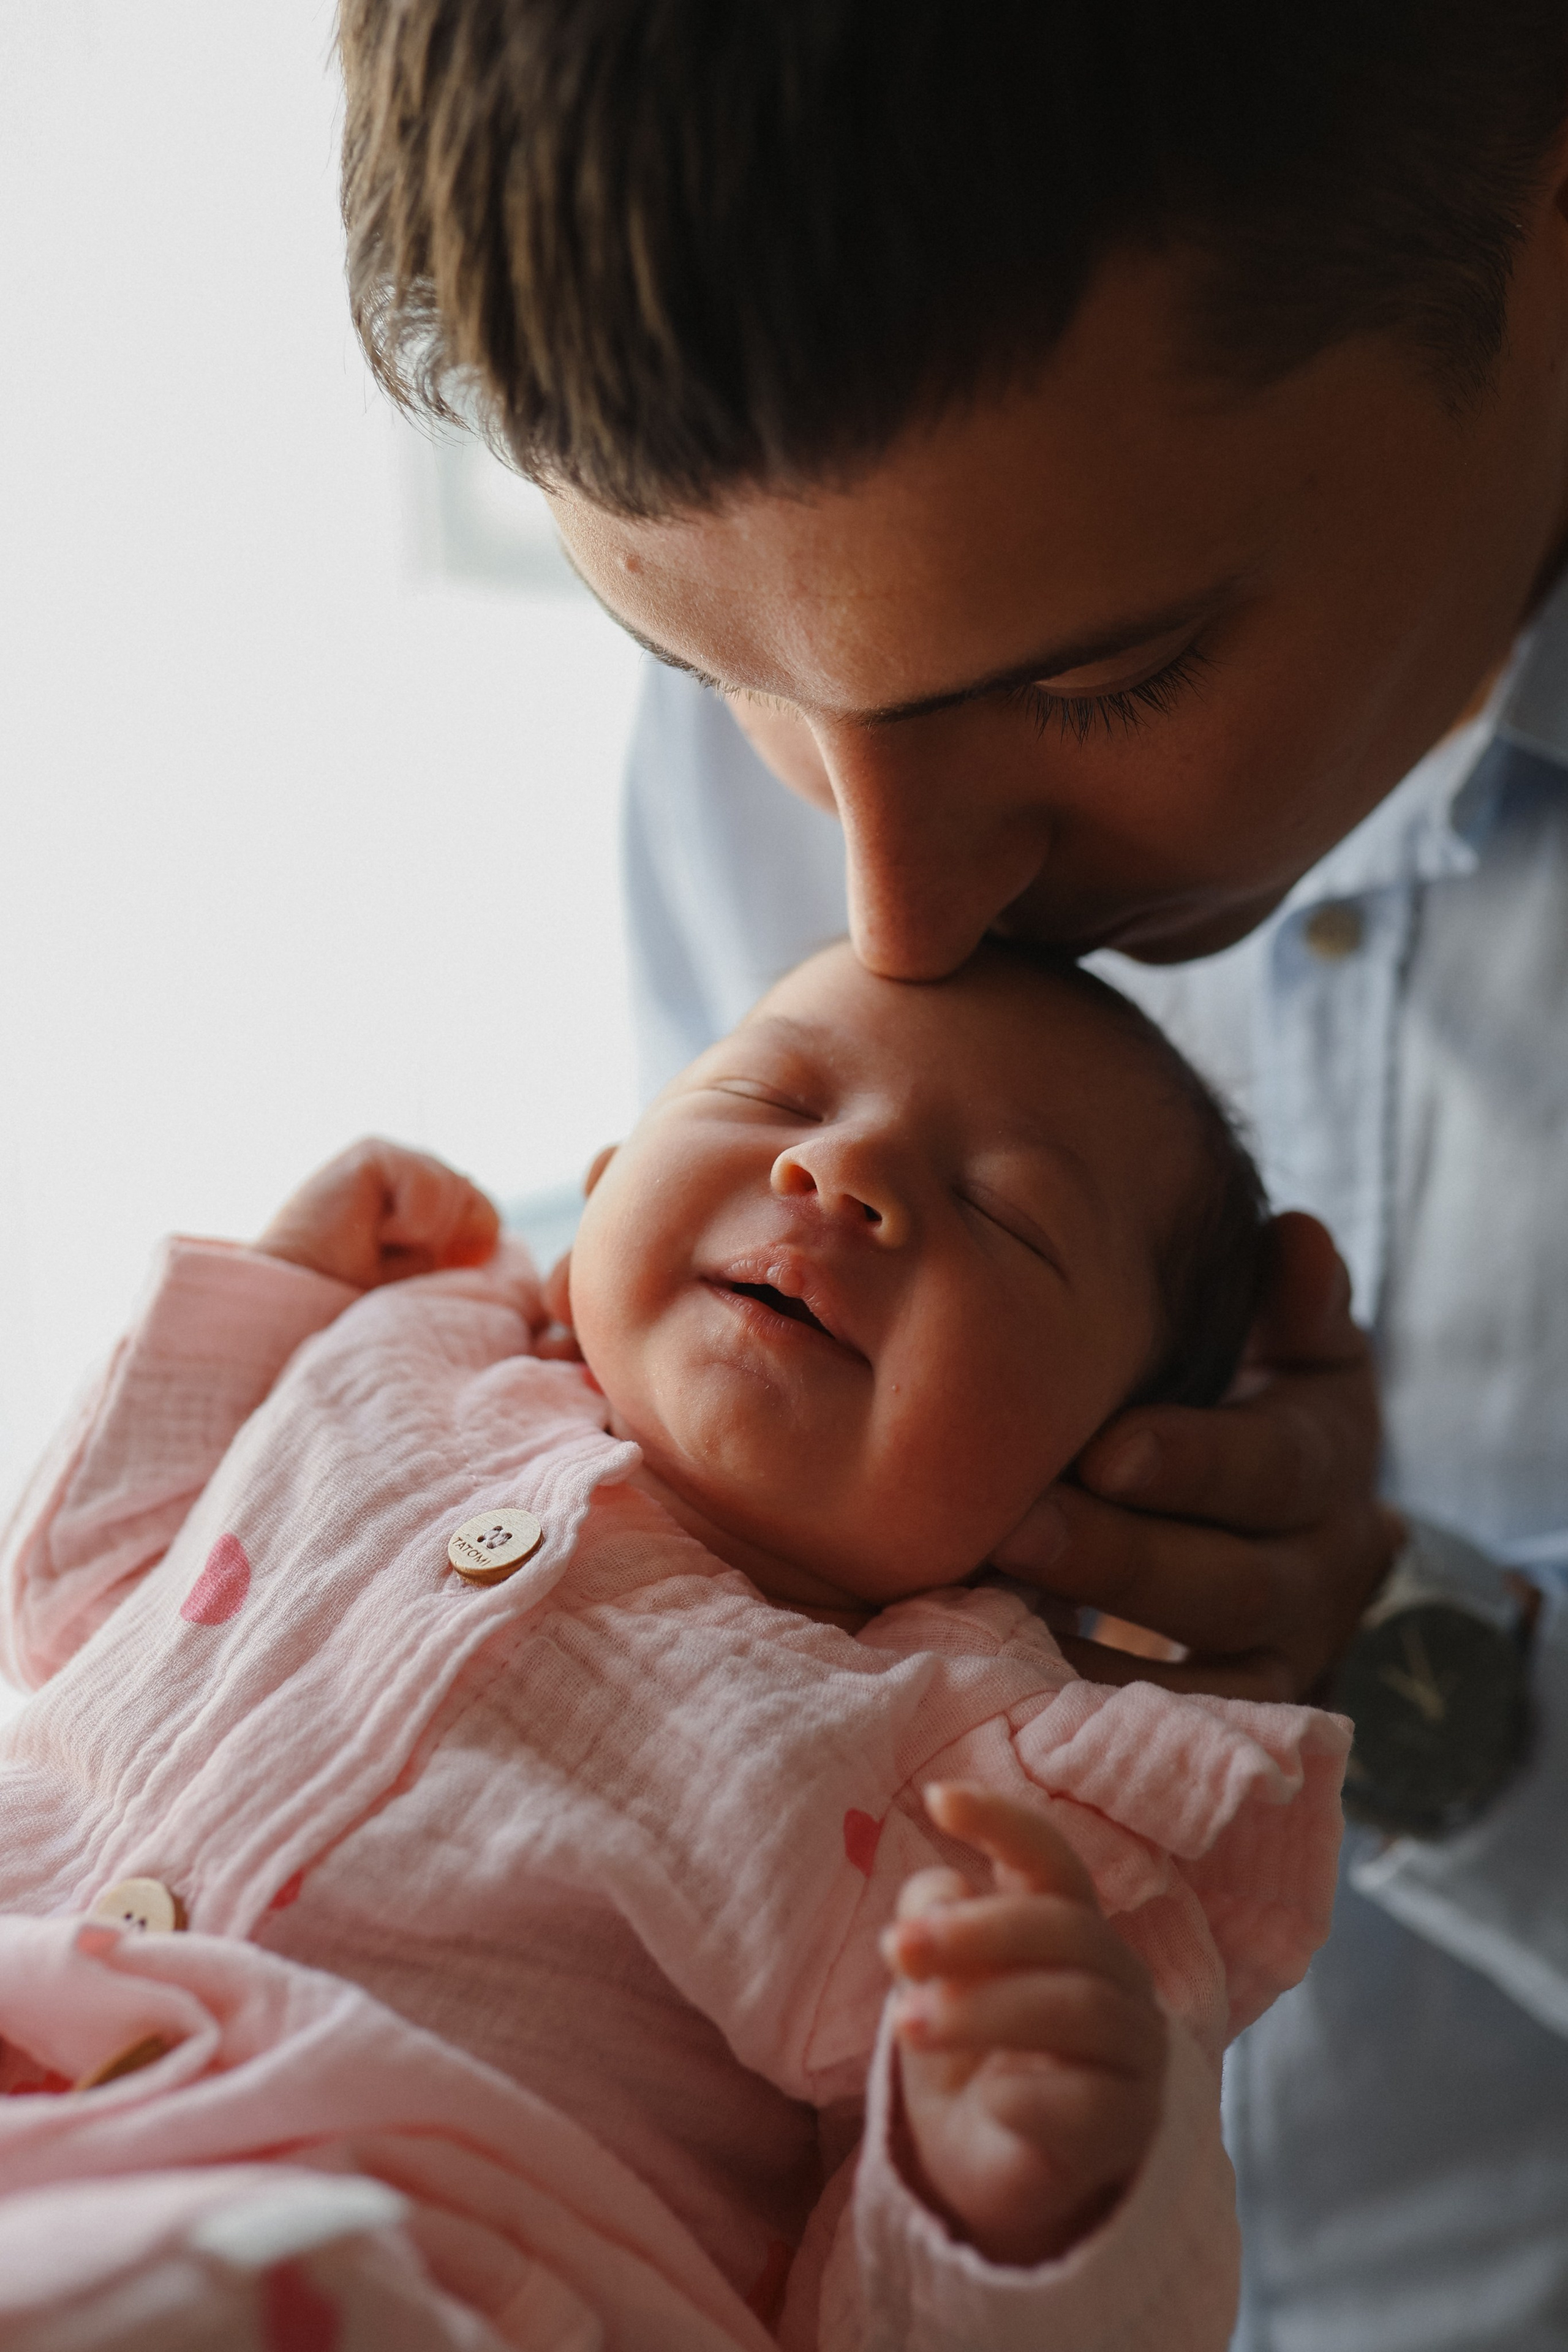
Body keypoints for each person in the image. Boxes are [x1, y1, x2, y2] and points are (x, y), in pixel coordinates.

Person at [335, 4, 1568, 2343]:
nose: (889, 913)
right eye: (708, 670)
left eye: (1098, 683)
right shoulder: (840, 570)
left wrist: (1391, 1664)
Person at [0, 945, 1348, 2348]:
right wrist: (278, 1286)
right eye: (772, 1096)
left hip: (398, 2259)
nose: (841, 1173)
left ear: (1105, 1475)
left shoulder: (976, 1787)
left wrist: (1031, 2196)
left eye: (1000, 1214)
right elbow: (67, 1590)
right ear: (599, 1191)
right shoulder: (404, 1353)